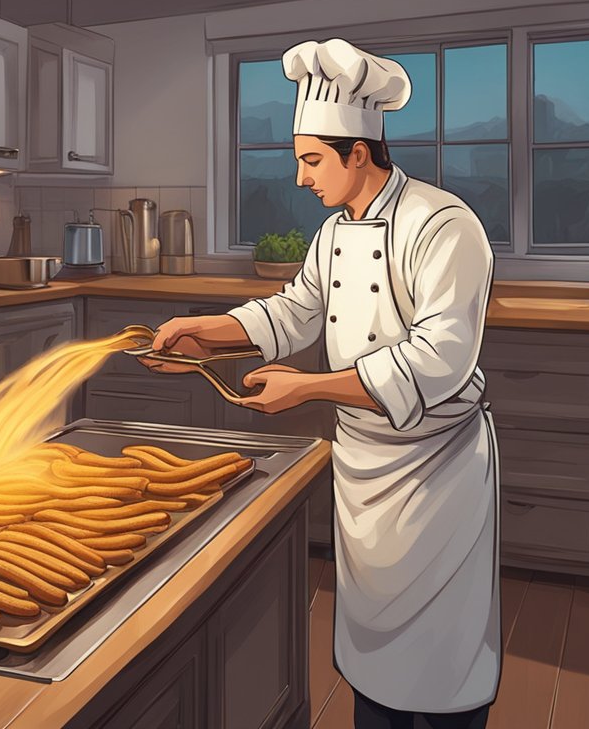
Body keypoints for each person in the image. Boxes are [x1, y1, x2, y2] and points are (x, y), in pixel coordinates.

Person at [143, 38, 500, 729]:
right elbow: (295, 310)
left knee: (441, 671)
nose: (303, 177)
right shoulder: (335, 234)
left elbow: (438, 358)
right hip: (364, 466)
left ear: (356, 154)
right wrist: (203, 331)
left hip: (438, 474)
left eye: (311, 160)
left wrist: (306, 389)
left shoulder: (444, 224)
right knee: (374, 664)